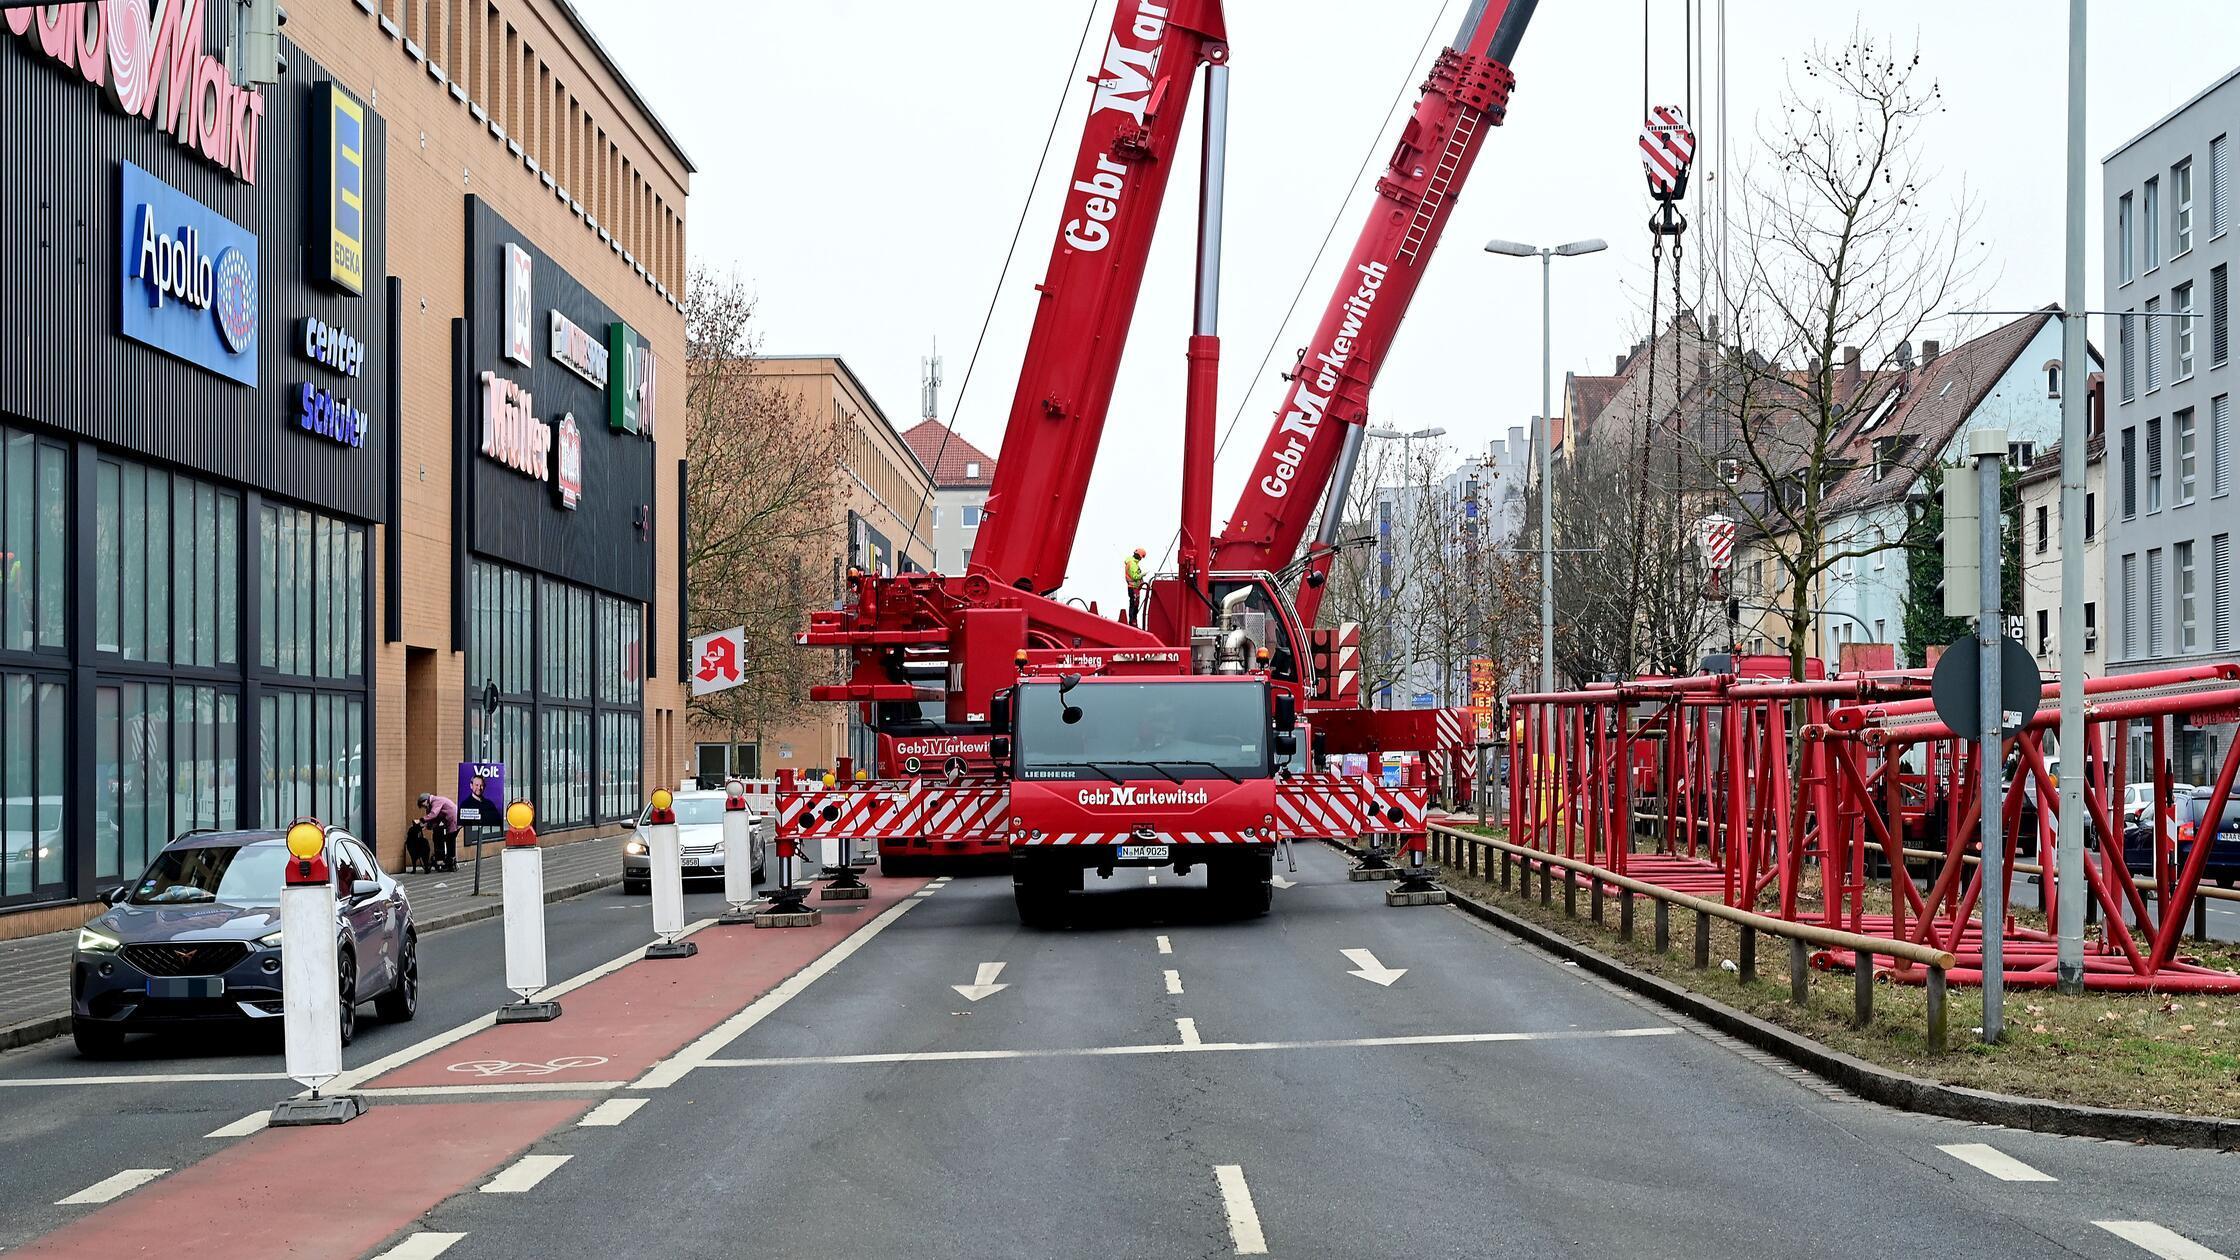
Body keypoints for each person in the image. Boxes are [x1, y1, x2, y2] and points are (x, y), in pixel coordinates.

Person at [417, 792, 460, 872]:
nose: (424, 807)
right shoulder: (432, 804)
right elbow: (435, 819)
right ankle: (450, 862)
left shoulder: (436, 801)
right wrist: (427, 826)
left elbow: (434, 814)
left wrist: (421, 820)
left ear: (425, 800)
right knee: (449, 840)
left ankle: (451, 863)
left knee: (450, 841)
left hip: (453, 820)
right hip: (452, 821)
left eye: (423, 805)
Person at [1124, 547, 1147, 626]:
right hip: (1133, 588)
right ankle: (1132, 621)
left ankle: (1134, 621)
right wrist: (1142, 574)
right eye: (1141, 557)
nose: (1141, 559)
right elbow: (1134, 576)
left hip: (1135, 588)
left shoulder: (1133, 563)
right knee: (1134, 604)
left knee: (1135, 604)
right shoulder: (1132, 564)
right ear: (1139, 556)